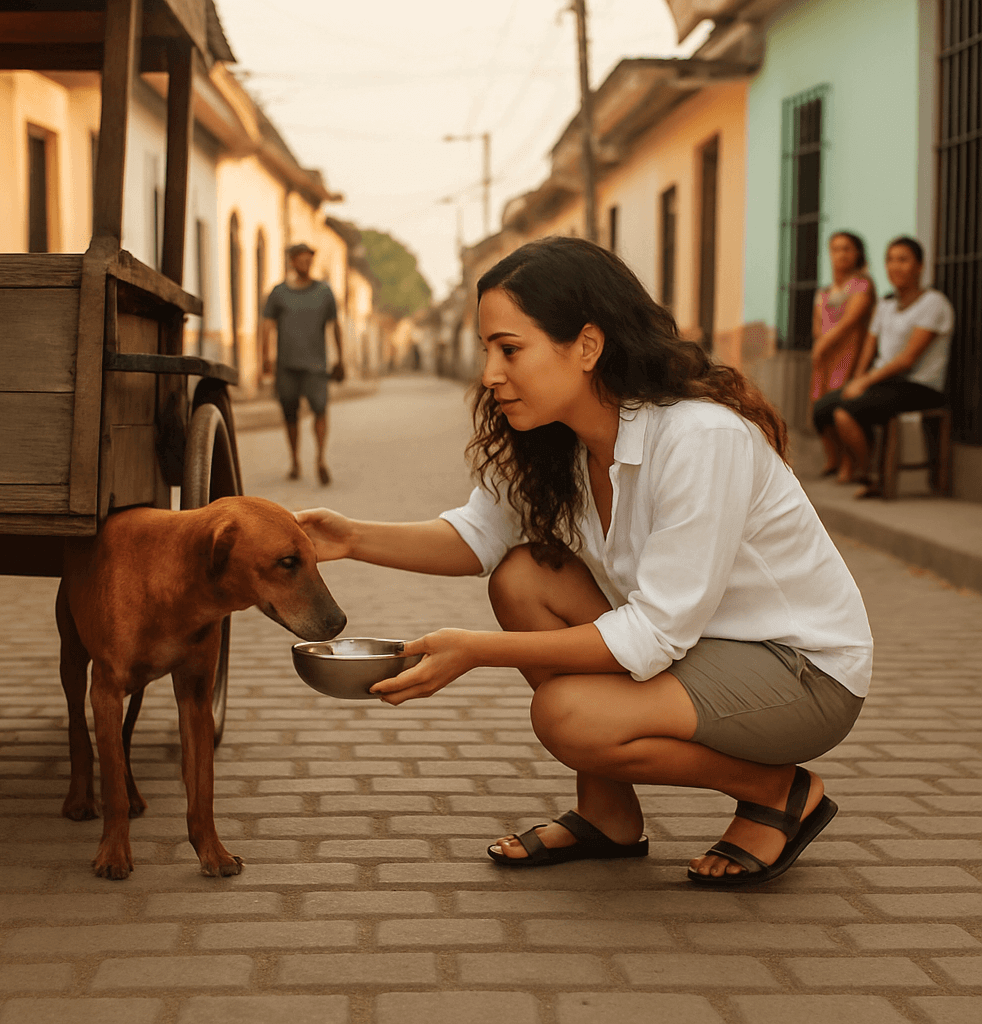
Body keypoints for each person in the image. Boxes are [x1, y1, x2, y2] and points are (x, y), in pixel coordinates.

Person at [297, 236, 873, 887]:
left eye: (509, 349)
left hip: (798, 672)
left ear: (588, 347)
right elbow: (475, 539)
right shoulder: (557, 442)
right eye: (489, 350)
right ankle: (608, 815)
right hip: (696, 650)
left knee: (567, 716)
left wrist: (477, 650)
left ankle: (777, 794)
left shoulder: (698, 437)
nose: (490, 373)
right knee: (523, 576)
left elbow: (654, 631)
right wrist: (347, 537)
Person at [812, 237, 953, 498]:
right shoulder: (886, 304)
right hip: (884, 381)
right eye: (890, 260)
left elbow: (906, 359)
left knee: (845, 413)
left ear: (920, 266)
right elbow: (869, 349)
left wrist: (864, 383)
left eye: (903, 259)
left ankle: (870, 474)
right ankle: (858, 468)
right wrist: (855, 380)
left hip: (919, 385)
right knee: (822, 409)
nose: (895, 266)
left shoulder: (934, 303)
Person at [261, 243, 345, 484]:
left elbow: (335, 325)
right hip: (286, 365)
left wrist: (341, 358)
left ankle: (320, 458)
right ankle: (295, 460)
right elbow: (266, 326)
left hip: (316, 366)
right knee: (290, 414)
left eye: (309, 260)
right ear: (292, 262)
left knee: (320, 409)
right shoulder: (279, 293)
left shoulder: (324, 292)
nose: (306, 264)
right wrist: (264, 359)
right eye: (301, 260)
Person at [810, 231, 875, 482]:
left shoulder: (861, 285)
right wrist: (820, 342)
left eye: (847, 248)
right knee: (819, 408)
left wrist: (825, 342)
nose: (841, 254)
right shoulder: (824, 290)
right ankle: (833, 459)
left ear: (857, 252)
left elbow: (850, 322)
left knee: (840, 405)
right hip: (824, 357)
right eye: (835, 249)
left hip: (848, 355)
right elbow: (818, 323)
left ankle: (850, 464)